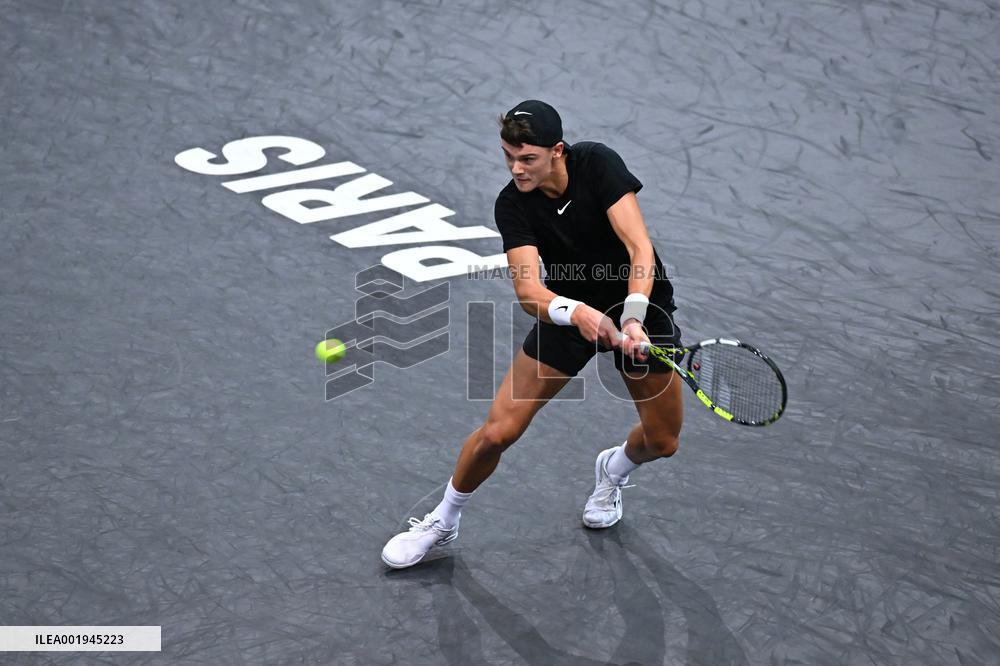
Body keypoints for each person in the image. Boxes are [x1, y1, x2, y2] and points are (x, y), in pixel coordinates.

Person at [381, 100, 684, 569]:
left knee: (663, 441)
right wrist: (576, 313)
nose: (516, 168)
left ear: (557, 151)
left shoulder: (596, 164)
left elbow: (637, 245)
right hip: (566, 315)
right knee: (498, 432)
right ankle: (443, 519)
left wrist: (633, 316)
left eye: (527, 159)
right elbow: (528, 291)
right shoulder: (512, 204)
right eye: (508, 156)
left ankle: (614, 468)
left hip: (640, 304)